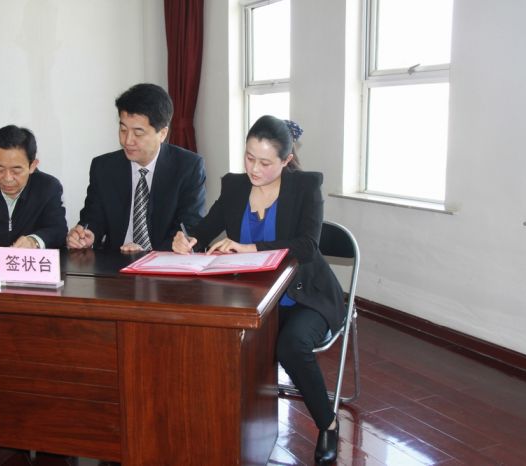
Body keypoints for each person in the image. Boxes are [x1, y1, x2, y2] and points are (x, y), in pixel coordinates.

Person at [172, 115, 344, 465]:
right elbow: (204, 229)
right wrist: (188, 240)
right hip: (257, 298)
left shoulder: (305, 187)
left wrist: (249, 248)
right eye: (249, 157)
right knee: (220, 338)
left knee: (291, 346)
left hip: (303, 296)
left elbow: (307, 246)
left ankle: (328, 423)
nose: (254, 168)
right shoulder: (235, 187)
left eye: (265, 163)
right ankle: (232, 427)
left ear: (286, 160)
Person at [67, 83, 206, 252]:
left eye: (138, 133)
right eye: (123, 130)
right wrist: (88, 235)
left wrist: (147, 254)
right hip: (116, 262)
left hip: (163, 261)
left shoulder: (188, 167)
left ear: (162, 133)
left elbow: (189, 228)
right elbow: (92, 217)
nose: (127, 141)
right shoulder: (104, 167)